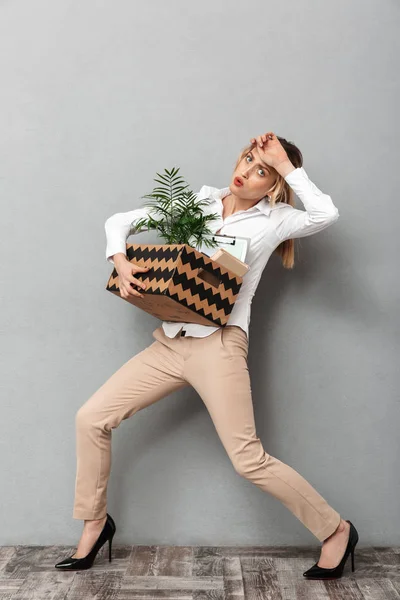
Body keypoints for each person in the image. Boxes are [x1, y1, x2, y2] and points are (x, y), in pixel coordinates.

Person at [55, 132, 359, 578]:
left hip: (219, 346)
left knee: (248, 460)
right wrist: (119, 260)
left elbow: (326, 213)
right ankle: (95, 523)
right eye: (249, 158)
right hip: (171, 341)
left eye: (262, 171)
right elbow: (119, 220)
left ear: (273, 185)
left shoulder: (276, 220)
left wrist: (287, 165)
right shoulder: (197, 203)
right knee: (91, 418)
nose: (247, 172)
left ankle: (336, 530)